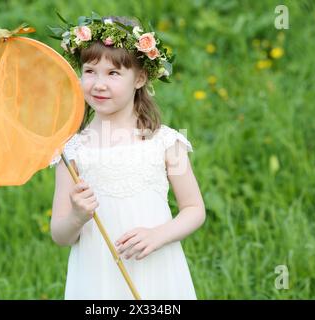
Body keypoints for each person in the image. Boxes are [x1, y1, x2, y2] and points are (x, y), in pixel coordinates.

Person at [49, 13, 206, 300]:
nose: (98, 84)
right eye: (90, 71)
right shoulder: (72, 150)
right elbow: (60, 235)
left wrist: (159, 234)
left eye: (113, 73)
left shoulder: (166, 141)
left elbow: (195, 209)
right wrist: (76, 216)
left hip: (156, 270)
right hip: (97, 278)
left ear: (140, 78)